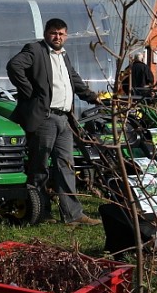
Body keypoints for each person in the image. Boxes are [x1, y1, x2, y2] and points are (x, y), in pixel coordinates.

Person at [6, 18, 102, 226]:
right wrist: (30, 93)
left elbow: (73, 80)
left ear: (66, 35)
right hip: (45, 118)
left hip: (64, 119)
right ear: (46, 33)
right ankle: (41, 212)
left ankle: (73, 215)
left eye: (61, 34)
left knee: (66, 166)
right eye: (53, 33)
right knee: (39, 166)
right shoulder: (36, 50)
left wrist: (92, 96)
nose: (57, 37)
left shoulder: (63, 56)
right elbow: (14, 66)